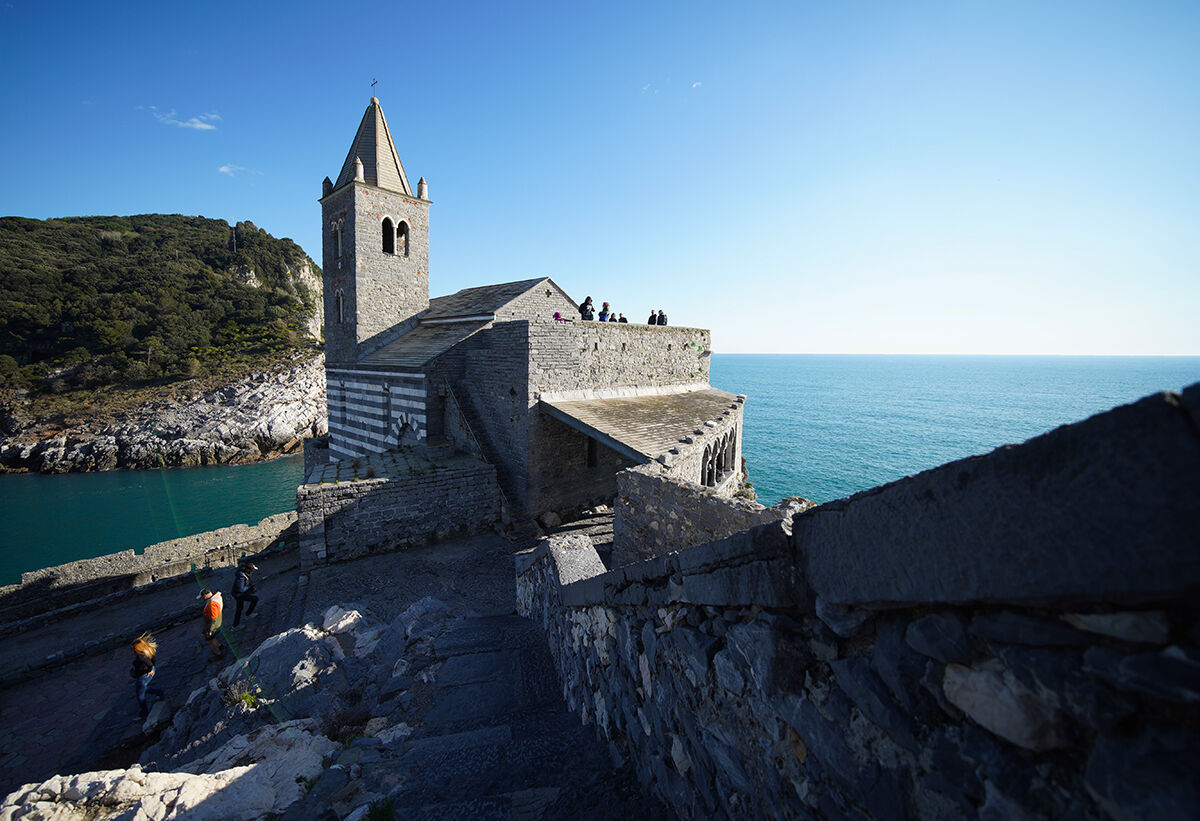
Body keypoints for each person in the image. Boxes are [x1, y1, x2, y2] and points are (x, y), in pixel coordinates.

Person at [130, 632, 164, 719]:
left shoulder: (141, 656)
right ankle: (159, 692)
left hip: (144, 675)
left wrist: (150, 670)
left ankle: (144, 713)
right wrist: (152, 669)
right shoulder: (148, 651)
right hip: (148, 673)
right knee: (143, 688)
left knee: (140, 695)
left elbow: (149, 664)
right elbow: (152, 662)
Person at [198, 588, 224, 659]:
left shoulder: (212, 604)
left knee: (210, 640)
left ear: (206, 595)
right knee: (213, 637)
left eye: (203, 597)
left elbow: (214, 618)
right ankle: (219, 646)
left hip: (211, 625)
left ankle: (218, 654)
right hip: (218, 621)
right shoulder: (218, 597)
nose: (202, 599)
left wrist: (210, 630)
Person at [232, 562, 259, 628]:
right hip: (239, 595)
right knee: (240, 608)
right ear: (248, 570)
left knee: (240, 608)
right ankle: (235, 626)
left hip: (240, 594)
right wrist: (249, 589)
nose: (252, 571)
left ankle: (247, 615)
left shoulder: (244, 574)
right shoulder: (241, 578)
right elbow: (240, 589)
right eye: (252, 570)